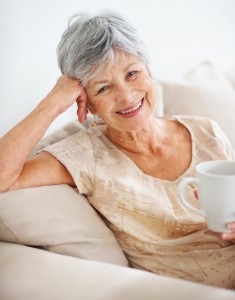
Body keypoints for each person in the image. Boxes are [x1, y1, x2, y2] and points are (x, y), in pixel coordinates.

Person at [0, 12, 234, 289]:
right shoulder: (85, 156)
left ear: (149, 70)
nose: (126, 95)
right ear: (88, 105)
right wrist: (51, 104)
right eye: (104, 88)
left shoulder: (205, 130)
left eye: (132, 73)